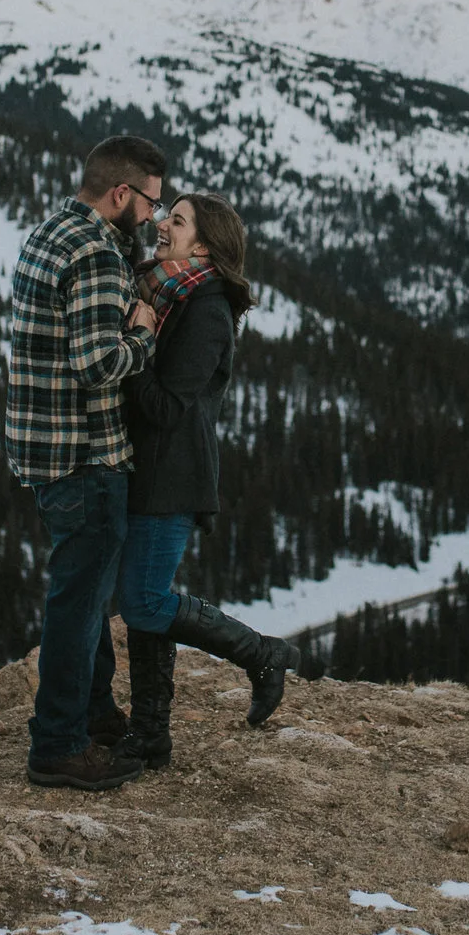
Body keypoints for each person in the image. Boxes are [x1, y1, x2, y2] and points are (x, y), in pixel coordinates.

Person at [96, 191, 302, 770]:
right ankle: (150, 734)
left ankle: (261, 654)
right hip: (147, 471)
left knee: (145, 599)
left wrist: (130, 347)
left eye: (177, 221)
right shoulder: (168, 292)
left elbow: (166, 407)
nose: (162, 225)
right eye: (167, 215)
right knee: (143, 602)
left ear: (203, 245)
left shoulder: (205, 309)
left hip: (173, 476)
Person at [4, 135, 168, 790]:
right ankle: (59, 744)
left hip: (43, 446)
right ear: (121, 193)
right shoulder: (98, 253)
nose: (155, 217)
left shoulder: (52, 230)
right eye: (152, 203)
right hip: (85, 451)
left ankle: (95, 712)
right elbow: (98, 364)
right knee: (77, 602)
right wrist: (143, 333)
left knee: (89, 592)